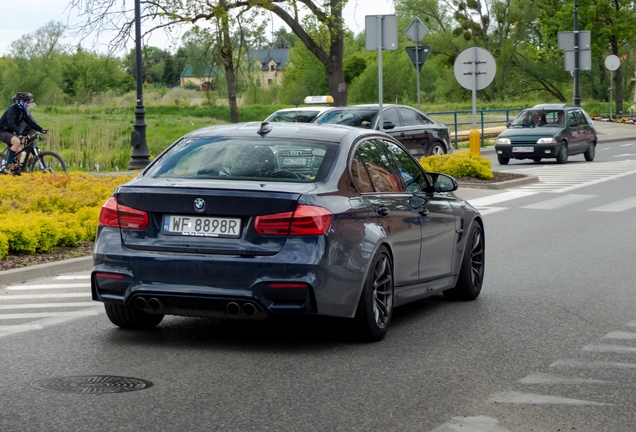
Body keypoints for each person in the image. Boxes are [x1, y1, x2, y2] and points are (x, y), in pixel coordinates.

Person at [0, 92, 48, 173]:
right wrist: (19, 132)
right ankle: (8, 164)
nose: (27, 104)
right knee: (17, 141)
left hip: (10, 132)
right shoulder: (12, 109)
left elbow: (30, 122)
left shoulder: (22, 111)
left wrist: (41, 129)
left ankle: (15, 171)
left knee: (20, 151)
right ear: (20, 101)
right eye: (26, 102)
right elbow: (11, 122)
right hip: (2, 131)